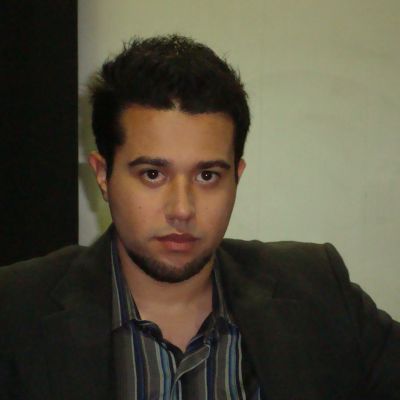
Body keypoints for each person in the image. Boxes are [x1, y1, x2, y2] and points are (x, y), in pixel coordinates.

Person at [0, 34, 399, 400]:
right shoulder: (14, 310)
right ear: (103, 175)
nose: (182, 209)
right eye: (152, 174)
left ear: (237, 177)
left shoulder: (320, 292)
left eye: (207, 176)